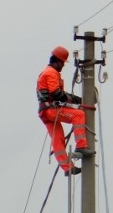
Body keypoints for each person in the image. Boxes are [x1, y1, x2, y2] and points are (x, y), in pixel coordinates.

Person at [36, 45, 92, 177]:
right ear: (58, 61)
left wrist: (73, 101)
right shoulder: (51, 73)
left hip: (45, 111)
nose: (63, 66)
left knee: (57, 139)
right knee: (79, 115)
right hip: (50, 110)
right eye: (62, 63)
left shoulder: (47, 72)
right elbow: (56, 94)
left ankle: (67, 167)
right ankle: (81, 145)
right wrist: (77, 100)